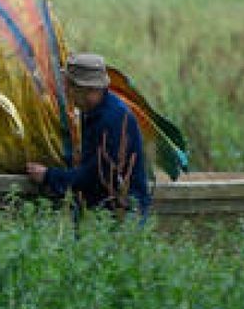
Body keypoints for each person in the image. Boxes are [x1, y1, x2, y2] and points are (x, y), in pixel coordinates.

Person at [26, 53, 151, 222]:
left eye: (70, 87)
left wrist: (49, 176)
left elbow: (95, 177)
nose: (67, 93)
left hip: (124, 212)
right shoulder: (93, 111)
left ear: (89, 91)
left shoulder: (110, 119)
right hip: (104, 210)